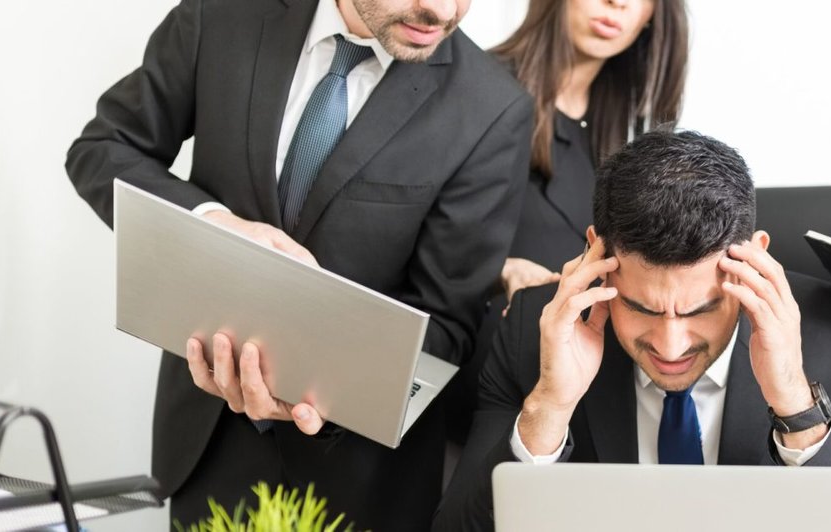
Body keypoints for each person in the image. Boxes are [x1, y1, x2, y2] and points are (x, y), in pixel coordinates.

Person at [64, 0, 533, 528]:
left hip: (360, 483)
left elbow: (445, 327)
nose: (441, 11)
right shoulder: (220, 16)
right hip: (207, 445)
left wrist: (321, 389)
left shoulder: (492, 108)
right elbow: (104, 149)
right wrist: (213, 223)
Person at [434, 129, 831, 532]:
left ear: (755, 259)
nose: (670, 345)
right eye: (641, 308)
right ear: (598, 255)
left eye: (700, 310)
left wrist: (794, 402)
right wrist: (549, 408)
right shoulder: (537, 331)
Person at [443, 0, 688, 445]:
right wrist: (499, 268)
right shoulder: (470, 88)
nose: (618, 3)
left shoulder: (615, 137)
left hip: (570, 401)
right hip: (468, 388)